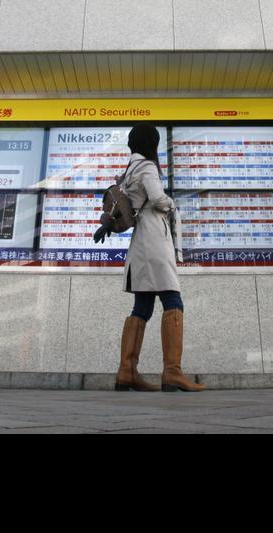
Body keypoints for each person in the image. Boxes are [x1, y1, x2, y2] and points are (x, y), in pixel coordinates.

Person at [94, 125, 204, 392]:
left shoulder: (127, 172)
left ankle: (126, 372)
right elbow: (157, 199)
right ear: (152, 144)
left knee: (142, 306)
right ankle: (172, 372)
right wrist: (172, 204)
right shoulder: (147, 168)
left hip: (140, 244)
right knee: (172, 298)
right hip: (155, 240)